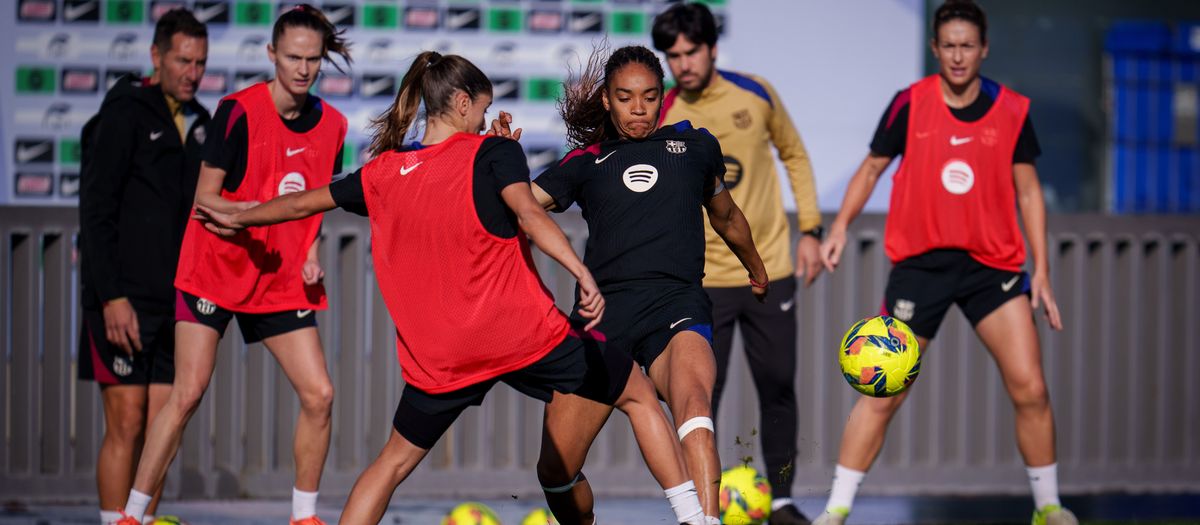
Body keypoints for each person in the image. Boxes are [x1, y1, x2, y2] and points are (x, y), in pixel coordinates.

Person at [194, 50, 708, 525]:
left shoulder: (382, 171)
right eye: (481, 111)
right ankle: (695, 518)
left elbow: (303, 203)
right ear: (463, 104)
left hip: (438, 357)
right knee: (638, 396)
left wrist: (241, 215)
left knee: (391, 464)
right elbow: (529, 212)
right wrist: (579, 269)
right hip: (517, 334)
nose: (484, 122)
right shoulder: (492, 154)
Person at [813, 2, 1075, 524]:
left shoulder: (1012, 109)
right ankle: (836, 511)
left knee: (1032, 387)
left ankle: (1049, 507)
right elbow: (871, 169)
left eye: (967, 45)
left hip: (992, 267)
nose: (958, 56)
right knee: (882, 389)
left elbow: (1029, 194)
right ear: (935, 49)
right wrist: (839, 226)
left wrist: (1041, 269)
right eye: (949, 45)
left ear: (984, 49)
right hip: (921, 265)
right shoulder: (910, 103)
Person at [495, 44, 768, 525]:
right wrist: (499, 157)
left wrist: (756, 267)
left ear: (663, 97)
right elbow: (519, 211)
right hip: (602, 321)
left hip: (676, 305)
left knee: (695, 410)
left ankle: (703, 521)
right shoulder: (584, 162)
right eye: (625, 98)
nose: (638, 109)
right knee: (556, 473)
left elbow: (726, 216)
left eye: (648, 97)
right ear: (605, 99)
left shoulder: (695, 147)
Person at [115, 5, 350, 524]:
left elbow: (310, 207)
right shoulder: (237, 111)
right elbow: (205, 199)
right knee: (188, 392)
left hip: (280, 278)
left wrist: (310, 255)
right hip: (216, 270)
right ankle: (134, 516)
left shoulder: (334, 125)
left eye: (313, 59)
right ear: (272, 54)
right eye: (293, 57)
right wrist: (254, 215)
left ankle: (303, 516)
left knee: (321, 394)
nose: (304, 68)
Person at [651, 4, 823, 522]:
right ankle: (700, 508)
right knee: (700, 400)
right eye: (673, 55)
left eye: (691, 52)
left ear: (712, 49)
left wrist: (810, 231)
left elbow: (794, 154)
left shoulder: (756, 93)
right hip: (701, 283)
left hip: (768, 271)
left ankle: (785, 498)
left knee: (777, 385)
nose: (682, 64)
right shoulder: (661, 112)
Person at [78, 9, 209, 524]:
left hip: (174, 301)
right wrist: (111, 297)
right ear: (156, 57)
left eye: (200, 62)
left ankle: (143, 522)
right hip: (120, 299)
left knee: (160, 429)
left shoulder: (203, 123)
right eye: (182, 60)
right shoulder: (124, 113)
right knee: (127, 424)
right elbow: (95, 210)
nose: (192, 72)